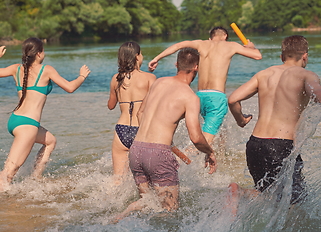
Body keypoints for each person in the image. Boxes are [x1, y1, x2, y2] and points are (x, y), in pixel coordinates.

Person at [228, 35, 321, 204]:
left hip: (255, 144)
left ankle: (240, 193)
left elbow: (233, 99)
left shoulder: (264, 74)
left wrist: (240, 120)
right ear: (305, 56)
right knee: (297, 202)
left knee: (268, 196)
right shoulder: (306, 75)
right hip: (280, 146)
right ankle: (242, 195)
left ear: (282, 57)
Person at [113, 48, 217, 221]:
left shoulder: (159, 82)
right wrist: (210, 152)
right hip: (158, 154)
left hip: (136, 149)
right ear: (196, 68)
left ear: (177, 65)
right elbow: (196, 137)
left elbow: (140, 113)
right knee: (171, 213)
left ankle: (118, 219)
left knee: (147, 202)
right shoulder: (190, 97)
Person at [0, 38, 91, 191]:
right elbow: (69, 87)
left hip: (16, 121)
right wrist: (82, 76)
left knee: (50, 141)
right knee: (8, 174)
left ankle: (36, 177)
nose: (44, 54)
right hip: (28, 125)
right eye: (43, 51)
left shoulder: (16, 68)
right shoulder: (46, 69)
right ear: (39, 53)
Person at [148, 26, 262, 145]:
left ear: (210, 37)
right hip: (216, 98)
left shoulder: (201, 44)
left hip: (199, 97)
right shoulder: (231, 45)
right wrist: (251, 47)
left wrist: (157, 58)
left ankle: (218, 161)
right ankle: (185, 159)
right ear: (225, 37)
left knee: (219, 133)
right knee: (205, 142)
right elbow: (257, 56)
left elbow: (178, 46)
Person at [107, 42, 156, 183]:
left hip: (121, 130)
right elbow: (154, 105)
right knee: (148, 180)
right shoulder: (149, 78)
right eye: (141, 54)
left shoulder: (116, 78)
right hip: (141, 130)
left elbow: (110, 105)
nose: (143, 56)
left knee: (118, 179)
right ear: (136, 56)